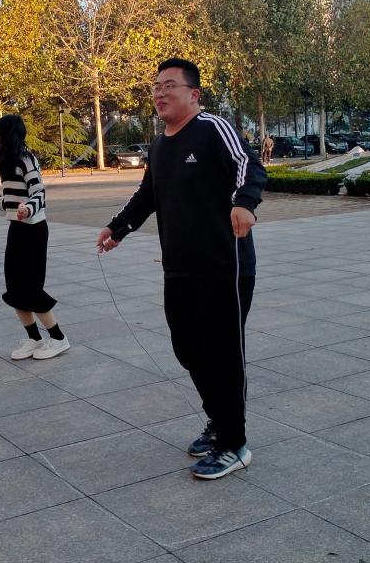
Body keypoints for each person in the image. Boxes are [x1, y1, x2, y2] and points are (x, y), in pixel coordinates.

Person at [97, 57, 266, 480]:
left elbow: (249, 165)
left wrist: (245, 203)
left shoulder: (212, 128)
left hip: (224, 265)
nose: (159, 92)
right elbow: (147, 195)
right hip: (179, 268)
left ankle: (234, 443)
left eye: (169, 85)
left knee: (223, 355)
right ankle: (219, 420)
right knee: (188, 350)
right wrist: (118, 228)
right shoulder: (159, 146)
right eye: (156, 86)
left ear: (194, 94)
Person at [0, 114, 69, 360]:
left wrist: (28, 209)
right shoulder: (9, 164)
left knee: (31, 288)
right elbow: (12, 201)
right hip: (17, 230)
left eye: (0, 136)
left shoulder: (26, 159)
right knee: (14, 288)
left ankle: (59, 339)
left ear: (10, 136)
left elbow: (39, 193)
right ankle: (34, 339)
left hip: (34, 231)